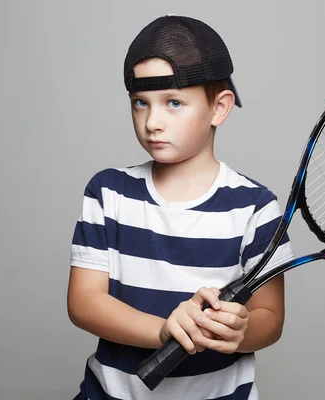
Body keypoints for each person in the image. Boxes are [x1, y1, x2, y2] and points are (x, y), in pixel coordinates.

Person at [68, 14, 293, 400]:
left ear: (219, 108)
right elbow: (84, 302)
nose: (152, 121)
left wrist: (239, 330)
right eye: (141, 103)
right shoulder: (108, 193)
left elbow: (269, 319)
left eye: (173, 103)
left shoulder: (255, 208)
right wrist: (163, 330)